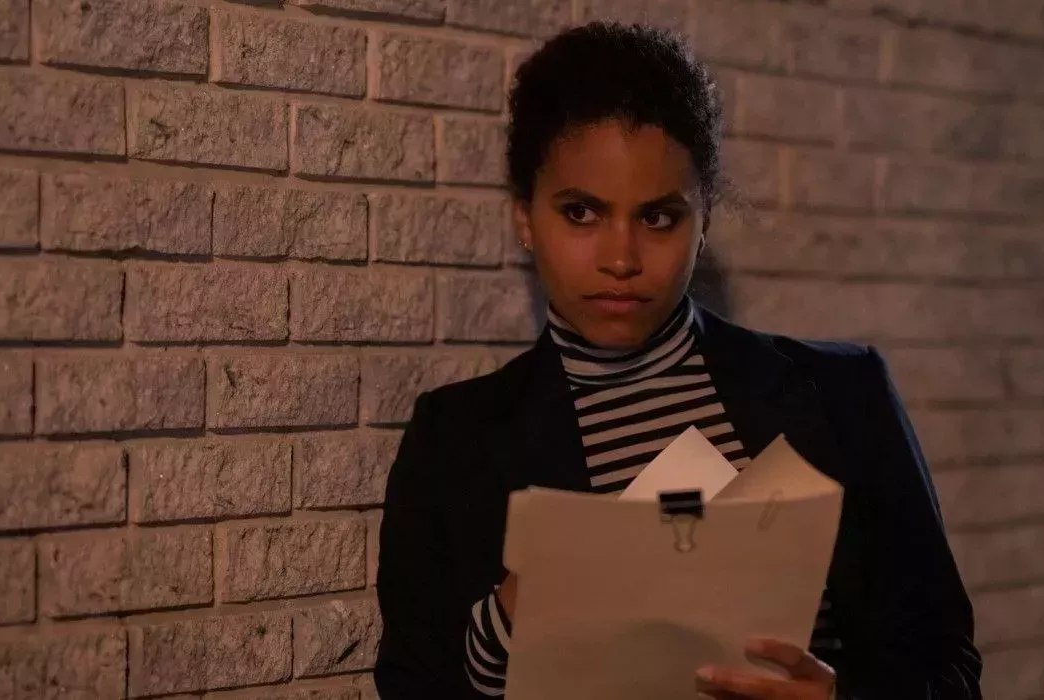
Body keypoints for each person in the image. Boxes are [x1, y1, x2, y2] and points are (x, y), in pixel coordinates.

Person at [374, 22, 981, 700]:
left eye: (658, 217)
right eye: (581, 213)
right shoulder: (455, 442)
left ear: (704, 219)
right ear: (525, 217)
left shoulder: (842, 395)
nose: (621, 258)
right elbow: (416, 686)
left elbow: (950, 666)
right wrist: (517, 610)